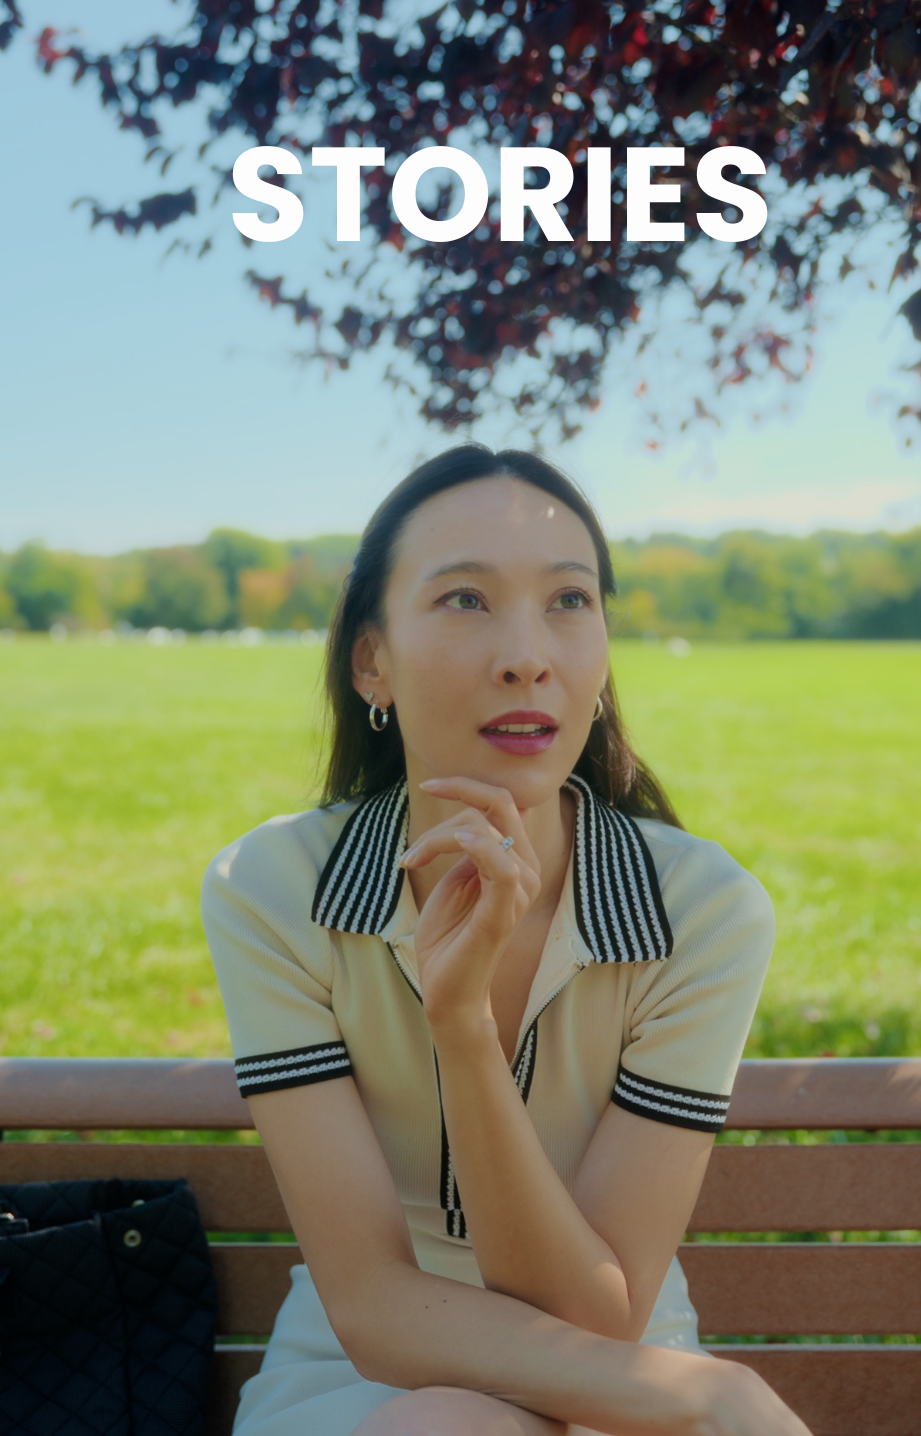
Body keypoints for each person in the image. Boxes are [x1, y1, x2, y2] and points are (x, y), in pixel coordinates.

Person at [202, 445, 811, 1436]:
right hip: (362, 1367)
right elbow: (370, 1301)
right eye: (465, 599)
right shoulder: (275, 891)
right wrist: (713, 1399)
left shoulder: (700, 911)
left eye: (569, 600)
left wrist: (466, 1039)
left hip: (619, 1366)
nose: (527, 655)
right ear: (371, 660)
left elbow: (595, 1317)